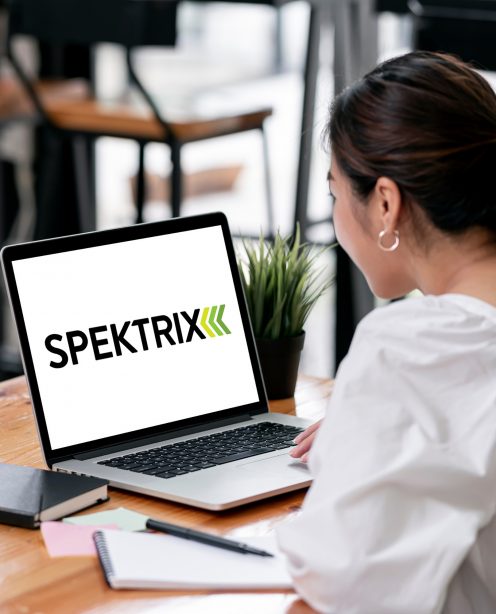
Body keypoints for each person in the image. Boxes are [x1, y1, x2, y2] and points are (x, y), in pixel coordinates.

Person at [275, 51, 496, 614]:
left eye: (334, 193)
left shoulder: (410, 350)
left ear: (386, 203)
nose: (336, 213)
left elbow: (339, 579)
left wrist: (361, 439)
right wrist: (373, 426)